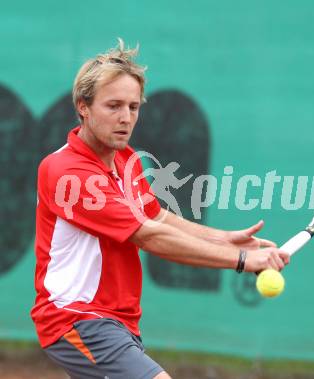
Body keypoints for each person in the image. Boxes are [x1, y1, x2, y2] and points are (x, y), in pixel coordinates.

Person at [31, 39, 290, 379]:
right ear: (83, 107)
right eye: (113, 106)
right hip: (76, 317)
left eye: (133, 107)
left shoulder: (125, 159)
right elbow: (148, 235)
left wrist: (225, 239)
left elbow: (154, 215)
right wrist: (241, 260)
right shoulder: (66, 172)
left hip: (119, 319)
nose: (126, 118)